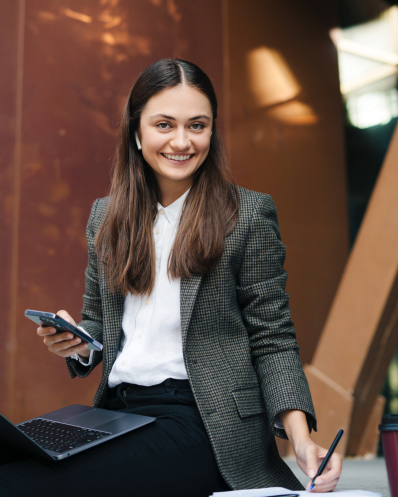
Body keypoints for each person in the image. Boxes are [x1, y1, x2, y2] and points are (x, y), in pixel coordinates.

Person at [0, 59, 342, 496]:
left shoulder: (248, 215)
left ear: (212, 131)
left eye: (196, 125)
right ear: (137, 132)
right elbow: (97, 321)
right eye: (164, 124)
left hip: (204, 423)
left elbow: (273, 337)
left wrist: (301, 439)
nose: (182, 141)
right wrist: (80, 343)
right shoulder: (105, 217)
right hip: (118, 414)